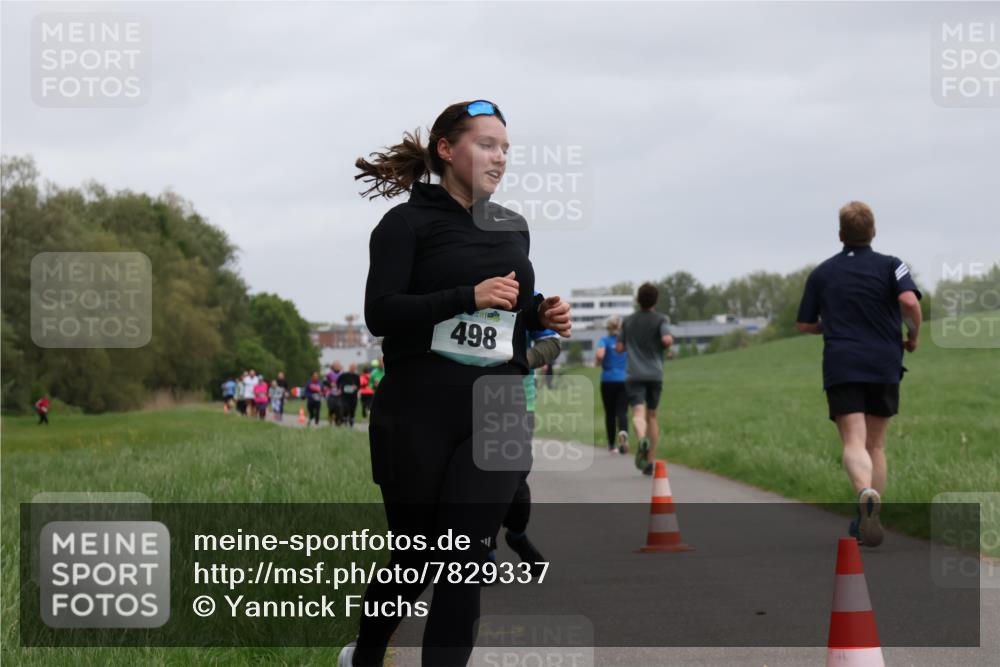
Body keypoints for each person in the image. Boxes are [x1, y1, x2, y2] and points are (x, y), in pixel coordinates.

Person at [342, 99, 571, 667]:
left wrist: (540, 313)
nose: (500, 158)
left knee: (464, 559)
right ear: (446, 150)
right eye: (486, 145)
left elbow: (510, 311)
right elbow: (381, 313)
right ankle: (366, 654)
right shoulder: (404, 225)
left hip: (498, 405)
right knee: (415, 557)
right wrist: (466, 296)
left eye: (506, 149)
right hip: (418, 408)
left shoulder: (512, 227)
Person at [796, 201, 922, 548]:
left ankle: (864, 492)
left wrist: (828, 325)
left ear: (841, 235)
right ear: (873, 231)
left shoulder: (822, 274)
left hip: (843, 363)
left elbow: (804, 324)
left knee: (853, 441)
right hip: (884, 362)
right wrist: (913, 335)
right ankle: (871, 516)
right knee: (875, 444)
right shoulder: (892, 265)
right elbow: (910, 302)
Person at [616, 282, 673, 475]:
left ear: (638, 299)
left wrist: (631, 343)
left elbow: (619, 348)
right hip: (655, 374)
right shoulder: (661, 319)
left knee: (638, 413)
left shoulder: (628, 321)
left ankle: (641, 439)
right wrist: (666, 344)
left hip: (634, 374)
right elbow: (666, 339)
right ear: (655, 300)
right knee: (652, 416)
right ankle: (649, 462)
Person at [596, 316, 629, 454]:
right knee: (622, 411)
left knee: (610, 413)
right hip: (624, 380)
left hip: (608, 380)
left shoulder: (604, 340)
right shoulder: (626, 341)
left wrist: (598, 362)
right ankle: (623, 432)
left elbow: (600, 355)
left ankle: (611, 445)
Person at [337, 363, 361, 427]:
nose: (353, 369)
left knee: (352, 408)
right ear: (349, 368)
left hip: (353, 396)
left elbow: (359, 385)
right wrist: (339, 389)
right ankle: (345, 419)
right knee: (346, 408)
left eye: (354, 368)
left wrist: (356, 387)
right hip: (345, 395)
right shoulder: (344, 375)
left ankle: (351, 420)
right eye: (351, 367)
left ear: (355, 369)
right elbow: (338, 382)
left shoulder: (357, 376)